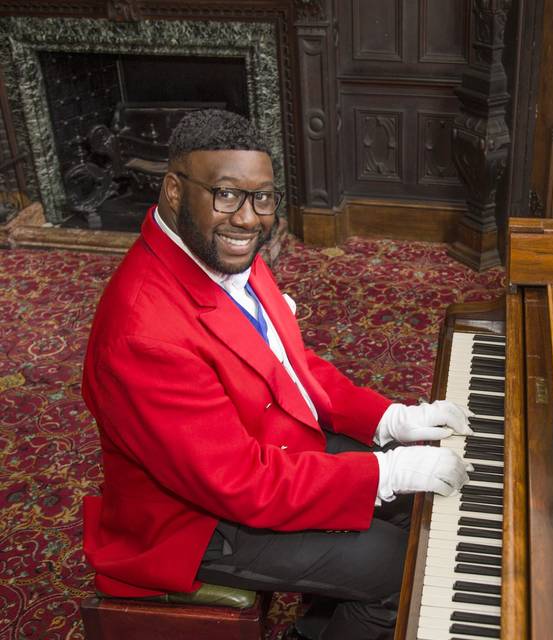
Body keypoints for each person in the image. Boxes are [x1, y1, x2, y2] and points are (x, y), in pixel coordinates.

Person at [81, 109, 473, 640]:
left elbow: (291, 364)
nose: (247, 218)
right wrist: (386, 472)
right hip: (199, 521)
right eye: (225, 194)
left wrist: (389, 420)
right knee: (406, 568)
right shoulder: (143, 333)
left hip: (267, 453)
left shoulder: (221, 250)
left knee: (421, 507)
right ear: (173, 191)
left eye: (261, 197)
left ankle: (313, 627)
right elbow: (239, 484)